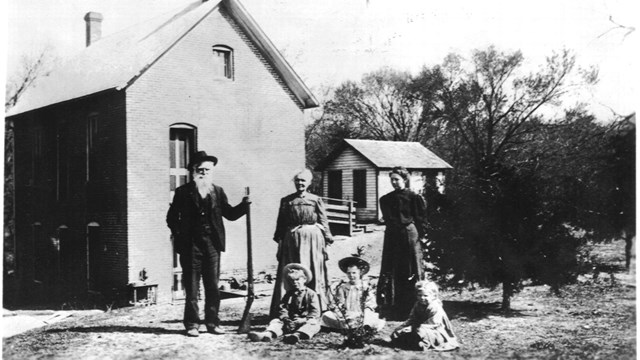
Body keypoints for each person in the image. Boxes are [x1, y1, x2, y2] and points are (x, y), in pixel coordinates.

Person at [166, 150, 250, 337]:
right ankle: (192, 324)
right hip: (190, 247)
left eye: (207, 170)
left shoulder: (218, 192)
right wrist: (180, 236)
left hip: (212, 245)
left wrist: (244, 206)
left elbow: (229, 213)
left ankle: (212, 323)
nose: (204, 173)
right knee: (193, 288)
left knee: (213, 286)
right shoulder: (183, 192)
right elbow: (171, 218)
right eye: (200, 170)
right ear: (193, 171)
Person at [269, 169, 333, 318]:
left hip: (313, 240)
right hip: (291, 241)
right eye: (297, 180)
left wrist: (327, 242)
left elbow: (323, 221)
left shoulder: (315, 200)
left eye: (303, 180)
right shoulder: (286, 201)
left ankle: (317, 309)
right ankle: (289, 308)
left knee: (313, 271)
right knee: (293, 272)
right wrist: (279, 244)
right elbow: (281, 224)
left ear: (309, 183)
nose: (300, 183)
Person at [377, 166, 426, 320]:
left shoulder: (414, 197)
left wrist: (421, 239)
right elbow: (387, 219)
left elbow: (421, 220)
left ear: (405, 179)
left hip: (409, 235)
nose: (394, 182)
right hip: (392, 235)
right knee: (392, 267)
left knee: (411, 267)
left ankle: (413, 306)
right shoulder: (385, 199)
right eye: (392, 180)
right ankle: (392, 306)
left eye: (397, 179)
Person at [248, 263, 321, 344]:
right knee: (276, 321)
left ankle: (297, 335)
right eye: (292, 281)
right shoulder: (289, 294)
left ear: (304, 279)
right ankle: (267, 334)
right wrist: (286, 319)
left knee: (313, 324)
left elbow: (315, 311)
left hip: (304, 321)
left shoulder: (311, 294)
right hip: (289, 322)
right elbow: (283, 308)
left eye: (297, 280)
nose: (295, 283)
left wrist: (303, 319)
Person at [390, 280, 459, 351]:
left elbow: (434, 324)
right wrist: (402, 326)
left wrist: (413, 328)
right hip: (418, 327)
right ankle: (410, 341)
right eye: (419, 295)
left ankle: (422, 343)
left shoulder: (435, 306)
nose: (422, 298)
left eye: (425, 296)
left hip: (434, 330)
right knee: (398, 332)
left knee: (420, 332)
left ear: (433, 296)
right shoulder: (417, 304)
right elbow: (412, 318)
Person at [321, 256, 385, 331]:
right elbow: (338, 303)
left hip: (361, 314)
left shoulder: (365, 287)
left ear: (360, 273)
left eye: (354, 273)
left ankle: (363, 327)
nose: (351, 276)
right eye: (349, 273)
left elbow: (370, 304)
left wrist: (362, 312)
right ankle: (351, 327)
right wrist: (343, 312)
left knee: (369, 317)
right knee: (326, 315)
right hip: (346, 315)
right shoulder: (343, 287)